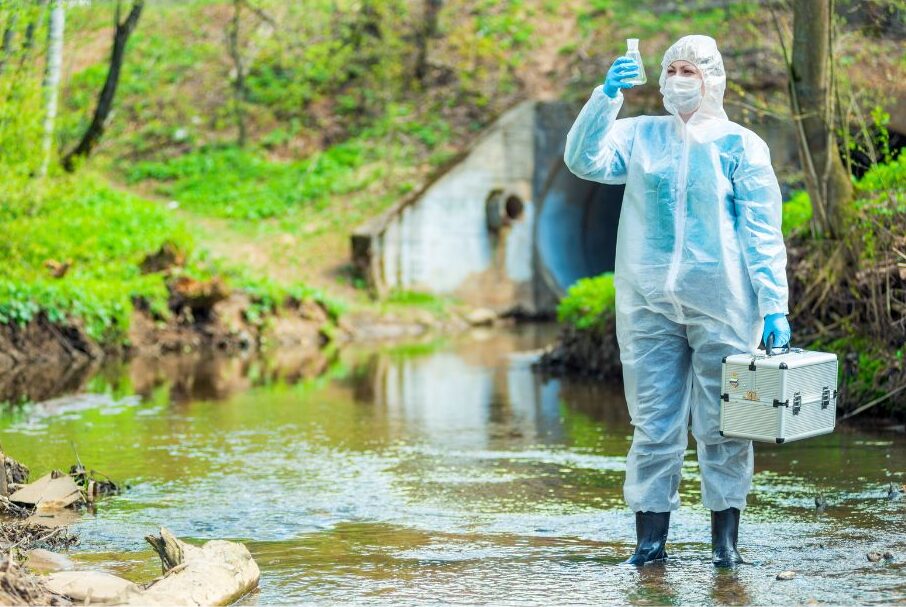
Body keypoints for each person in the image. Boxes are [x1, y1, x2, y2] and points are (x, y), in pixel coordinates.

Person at [562, 34, 791, 567]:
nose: (678, 80)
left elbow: (762, 231)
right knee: (654, 423)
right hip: (647, 303)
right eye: (672, 70)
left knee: (725, 424)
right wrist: (605, 97)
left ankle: (725, 546)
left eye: (689, 70)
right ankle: (649, 545)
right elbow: (582, 160)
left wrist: (774, 302)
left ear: (712, 78)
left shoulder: (741, 145)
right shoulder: (639, 137)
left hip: (726, 302)